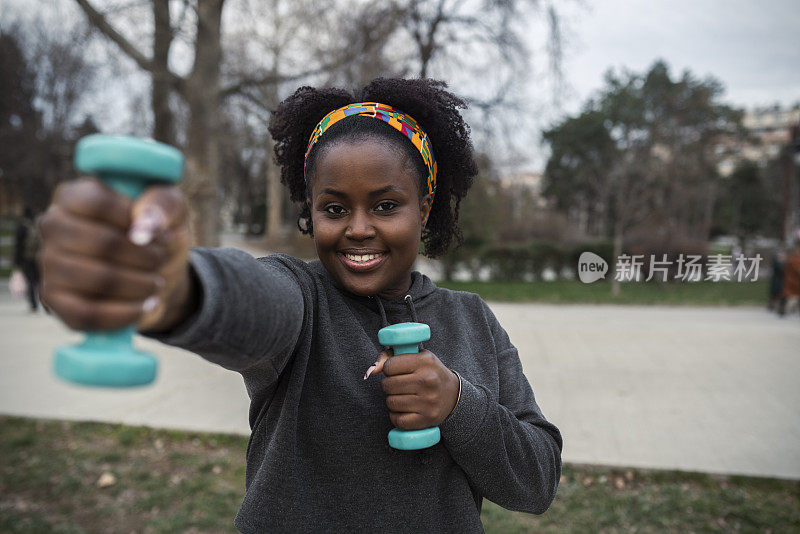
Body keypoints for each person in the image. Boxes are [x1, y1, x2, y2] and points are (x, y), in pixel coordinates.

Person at [37, 78, 562, 532]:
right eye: (334, 208)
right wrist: (173, 285)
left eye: (385, 205)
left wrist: (456, 404)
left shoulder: (472, 321)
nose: (358, 228)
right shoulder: (302, 299)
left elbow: (536, 481)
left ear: (423, 207)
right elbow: (250, 303)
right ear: (310, 212)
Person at [13, 206, 41, 312]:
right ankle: (45, 303)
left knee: (31, 281)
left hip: (27, 257)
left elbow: (18, 245)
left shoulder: (22, 226)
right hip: (39, 257)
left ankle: (33, 304)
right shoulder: (38, 224)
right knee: (40, 281)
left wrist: (17, 261)